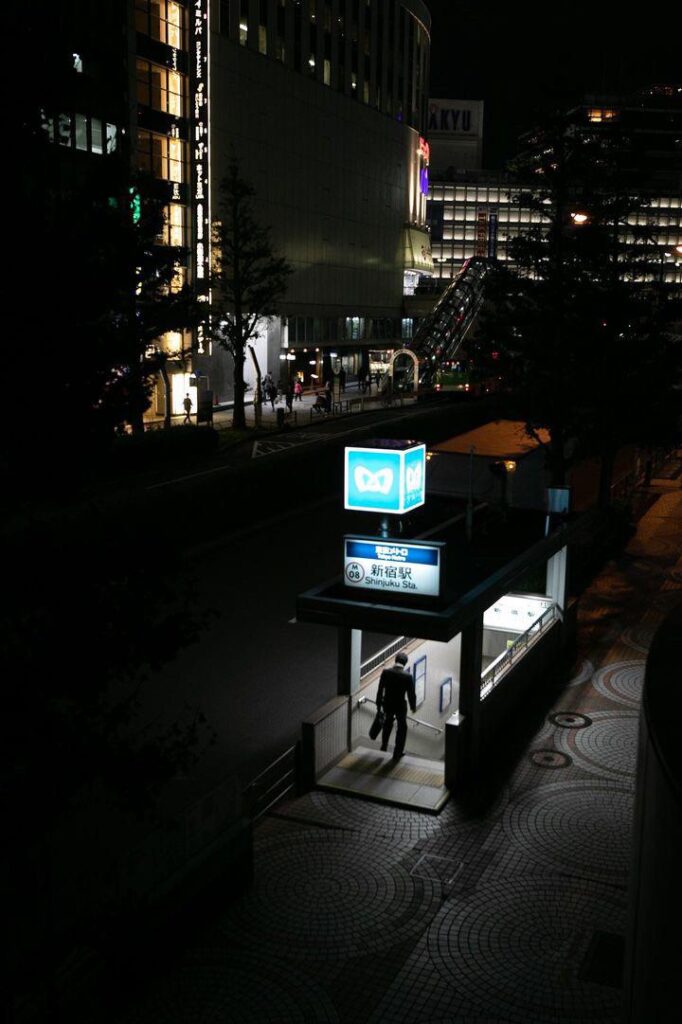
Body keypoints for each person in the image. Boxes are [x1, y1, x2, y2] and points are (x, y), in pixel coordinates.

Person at [375, 652, 416, 761]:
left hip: (387, 703)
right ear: (405, 663)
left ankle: (384, 745)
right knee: (402, 728)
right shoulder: (408, 676)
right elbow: (411, 694)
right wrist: (413, 707)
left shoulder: (386, 672)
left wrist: (378, 704)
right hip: (400, 706)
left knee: (387, 723)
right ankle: (397, 752)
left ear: (395, 660)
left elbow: (380, 689)